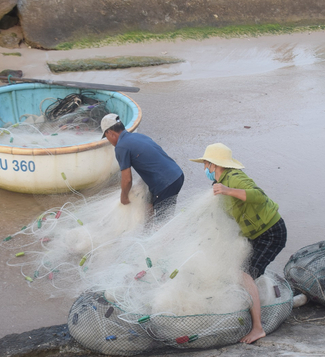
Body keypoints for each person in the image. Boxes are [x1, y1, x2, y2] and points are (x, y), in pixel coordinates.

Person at [191, 143, 287, 344]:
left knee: (246, 273)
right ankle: (254, 305)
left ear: (213, 164)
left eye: (206, 164)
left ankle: (258, 328)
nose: (205, 168)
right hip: (255, 234)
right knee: (237, 269)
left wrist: (228, 190)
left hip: (270, 233)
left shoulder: (233, 178)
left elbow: (259, 196)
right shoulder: (219, 184)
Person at [101, 113, 184, 219]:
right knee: (148, 203)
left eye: (106, 136)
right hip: (177, 175)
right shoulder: (138, 136)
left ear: (110, 133)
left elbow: (127, 180)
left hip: (165, 183)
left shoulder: (121, 147)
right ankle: (147, 229)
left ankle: (160, 233)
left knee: (163, 221)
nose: (108, 140)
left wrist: (124, 196)